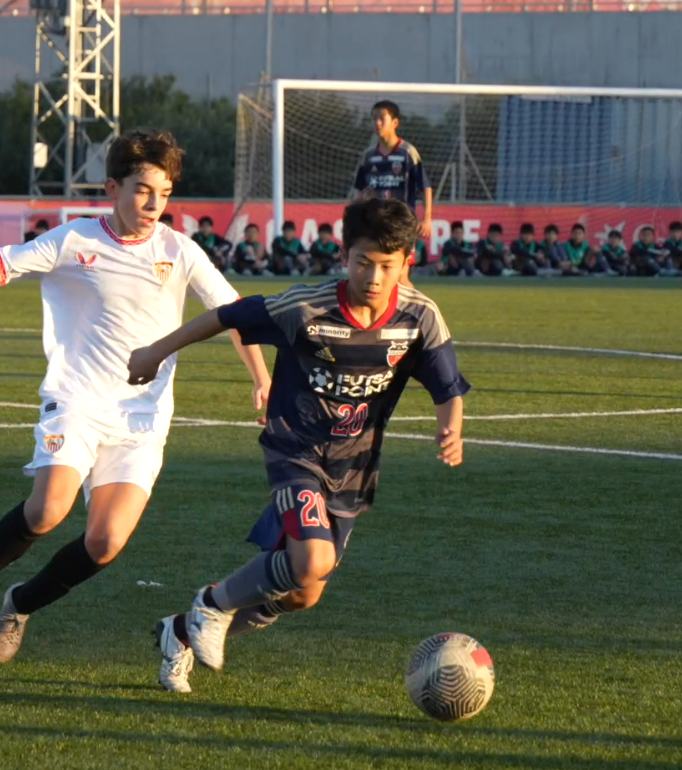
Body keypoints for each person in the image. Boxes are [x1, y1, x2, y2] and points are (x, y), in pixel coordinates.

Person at [0, 130, 271, 664]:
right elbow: (3, 265)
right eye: (142, 189)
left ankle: (18, 607)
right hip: (77, 399)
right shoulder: (75, 239)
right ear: (113, 186)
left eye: (165, 193)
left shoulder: (179, 250)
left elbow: (234, 314)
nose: (154, 204)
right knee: (46, 511)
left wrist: (259, 375)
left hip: (142, 418)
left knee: (105, 543)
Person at [127, 198, 468, 693]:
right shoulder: (304, 307)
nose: (373, 276)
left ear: (406, 263)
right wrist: (157, 351)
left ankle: (179, 632)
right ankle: (211, 604)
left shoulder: (419, 317)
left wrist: (450, 427)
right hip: (296, 451)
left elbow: (446, 384)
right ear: (343, 255)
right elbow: (225, 316)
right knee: (312, 560)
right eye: (362, 262)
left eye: (387, 266)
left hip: (353, 468)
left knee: (304, 594)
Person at [351, 100, 433, 286]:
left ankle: (419, 312)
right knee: (380, 278)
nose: (377, 123)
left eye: (382, 118)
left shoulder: (407, 152)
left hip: (402, 224)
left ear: (395, 123)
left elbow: (425, 186)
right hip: (375, 224)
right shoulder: (368, 156)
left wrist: (427, 218)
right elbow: (360, 192)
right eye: (374, 118)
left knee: (401, 278)